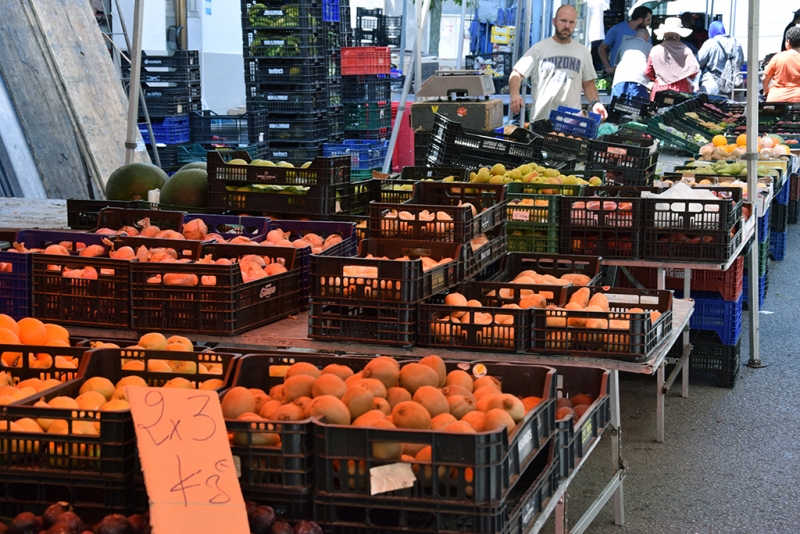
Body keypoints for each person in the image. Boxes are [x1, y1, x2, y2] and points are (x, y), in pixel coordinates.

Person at [509, 5, 607, 122]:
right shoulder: (539, 49)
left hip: (571, 121)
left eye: (571, 22)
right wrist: (514, 94)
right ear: (554, 21)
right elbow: (517, 73)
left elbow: (588, 84)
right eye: (563, 21)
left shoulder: (583, 52)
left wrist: (595, 103)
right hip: (542, 120)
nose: (567, 26)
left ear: (575, 25)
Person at [645, 18, 700, 101]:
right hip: (680, 89)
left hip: (660, 88)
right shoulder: (686, 50)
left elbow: (648, 71)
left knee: (659, 112)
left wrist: (660, 76)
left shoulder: (655, 49)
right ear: (679, 34)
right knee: (679, 112)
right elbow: (694, 72)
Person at [598, 6, 652, 76]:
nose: (649, 23)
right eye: (648, 20)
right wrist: (607, 67)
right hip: (618, 74)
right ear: (640, 20)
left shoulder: (645, 33)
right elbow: (602, 48)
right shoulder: (617, 29)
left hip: (637, 75)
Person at [697, 21, 744, 95]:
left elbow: (699, 61)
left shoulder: (710, 43)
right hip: (734, 86)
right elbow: (740, 62)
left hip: (713, 85)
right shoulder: (737, 43)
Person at [611, 28, 653, 101]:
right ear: (647, 38)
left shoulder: (624, 44)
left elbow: (615, 66)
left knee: (616, 107)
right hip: (639, 79)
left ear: (634, 37)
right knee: (636, 108)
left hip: (620, 79)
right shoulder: (650, 46)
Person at [763, 26, 800, 102]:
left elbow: (764, 79)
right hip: (797, 101)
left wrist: (766, 91)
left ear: (788, 42)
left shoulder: (777, 57)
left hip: (776, 100)